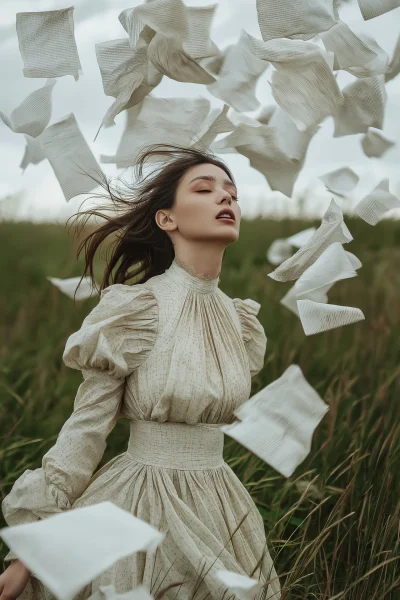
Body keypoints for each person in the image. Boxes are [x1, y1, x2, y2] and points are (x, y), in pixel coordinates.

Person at [0, 144, 281, 600]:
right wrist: (28, 553)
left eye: (232, 192)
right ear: (167, 219)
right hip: (139, 506)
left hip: (221, 505)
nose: (226, 199)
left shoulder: (241, 321)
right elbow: (86, 430)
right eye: (205, 189)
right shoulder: (134, 311)